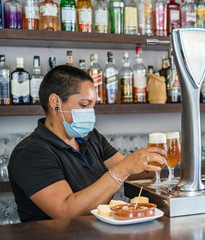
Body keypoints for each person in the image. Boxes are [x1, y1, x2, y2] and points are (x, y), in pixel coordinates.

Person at [8, 65, 166, 222]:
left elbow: (134, 172)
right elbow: (66, 211)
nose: (91, 113)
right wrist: (121, 171)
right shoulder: (30, 153)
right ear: (55, 101)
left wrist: (158, 161)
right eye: (84, 105)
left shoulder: (91, 138)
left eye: (93, 107)